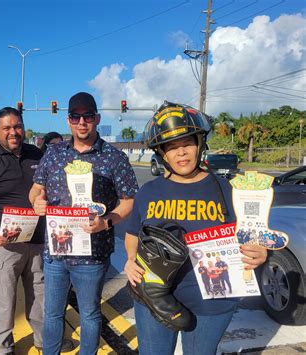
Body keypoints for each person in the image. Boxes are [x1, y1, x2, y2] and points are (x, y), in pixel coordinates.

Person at [124, 101, 267, 355]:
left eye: (187, 143)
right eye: (171, 147)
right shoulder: (148, 192)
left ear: (200, 143)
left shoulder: (227, 190)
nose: (181, 153)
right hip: (155, 297)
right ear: (161, 153)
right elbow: (133, 234)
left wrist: (259, 253)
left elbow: (253, 236)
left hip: (214, 300)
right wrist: (130, 260)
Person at [30, 92, 138, 354]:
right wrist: (36, 202)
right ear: (68, 120)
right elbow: (36, 189)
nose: (82, 122)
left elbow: (129, 201)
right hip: (56, 251)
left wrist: (107, 222)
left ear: (97, 118)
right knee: (53, 313)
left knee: (89, 314)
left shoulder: (114, 158)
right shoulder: (54, 154)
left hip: (92, 253)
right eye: (76, 116)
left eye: (87, 116)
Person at [0, 107, 72, 354]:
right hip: (4, 243)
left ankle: (44, 341)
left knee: (40, 295)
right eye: (7, 128)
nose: (13, 132)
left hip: (38, 240)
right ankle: (3, 347)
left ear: (24, 128)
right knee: (5, 298)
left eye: (17, 126)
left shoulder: (36, 154)